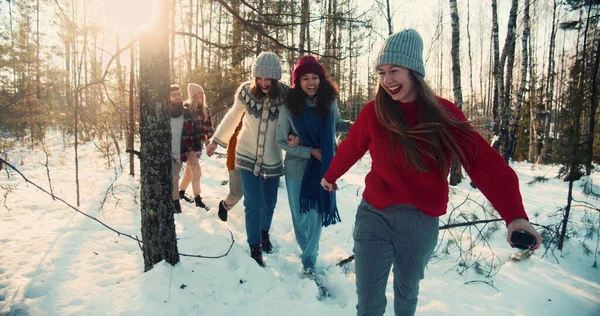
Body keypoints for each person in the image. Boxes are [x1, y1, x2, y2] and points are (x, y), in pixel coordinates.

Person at [320, 29, 543, 316]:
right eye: (381, 72)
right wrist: (330, 176)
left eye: (395, 70)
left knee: (406, 292)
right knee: (368, 300)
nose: (387, 80)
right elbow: (351, 147)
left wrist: (515, 216)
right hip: (374, 214)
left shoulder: (443, 114)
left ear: (413, 71)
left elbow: (483, 162)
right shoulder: (374, 112)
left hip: (419, 221)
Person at [206, 52, 289, 267]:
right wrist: (217, 140)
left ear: (276, 78)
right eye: (259, 78)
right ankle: (254, 246)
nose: (262, 83)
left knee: (269, 203)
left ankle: (263, 233)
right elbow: (233, 116)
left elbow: (297, 119)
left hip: (272, 158)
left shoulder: (286, 96)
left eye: (267, 79)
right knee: (252, 203)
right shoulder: (246, 91)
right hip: (245, 154)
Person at [276, 55, 342, 276]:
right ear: (298, 81)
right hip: (296, 168)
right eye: (305, 78)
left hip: (322, 168)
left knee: (315, 214)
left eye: (315, 77)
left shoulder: (329, 101)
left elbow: (335, 125)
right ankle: (307, 251)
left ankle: (309, 260)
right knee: (300, 215)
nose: (311, 82)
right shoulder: (290, 106)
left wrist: (354, 126)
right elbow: (281, 140)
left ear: (321, 79)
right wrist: (309, 151)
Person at [179, 83, 214, 210]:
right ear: (192, 96)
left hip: (198, 145)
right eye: (198, 94)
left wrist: (211, 142)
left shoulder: (204, 109)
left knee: (189, 172)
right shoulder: (186, 110)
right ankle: (197, 199)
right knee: (197, 172)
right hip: (188, 145)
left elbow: (209, 127)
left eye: (202, 93)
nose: (201, 96)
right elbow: (184, 130)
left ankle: (181, 193)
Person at [169, 84, 203, 214]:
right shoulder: (163, 113)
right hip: (171, 151)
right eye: (174, 95)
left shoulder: (186, 112)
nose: (177, 97)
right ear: (168, 97)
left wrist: (197, 148)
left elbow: (195, 131)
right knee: (174, 177)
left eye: (179, 94)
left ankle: (197, 197)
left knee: (196, 172)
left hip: (185, 148)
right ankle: (175, 202)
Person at [217, 115, 244, 222]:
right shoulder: (239, 114)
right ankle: (224, 206)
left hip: (255, 160)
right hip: (235, 159)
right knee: (237, 193)